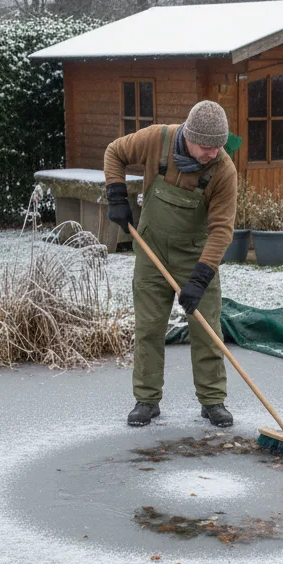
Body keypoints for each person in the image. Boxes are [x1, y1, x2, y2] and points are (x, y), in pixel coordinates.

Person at [103, 101, 238, 427]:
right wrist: (117, 195)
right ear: (188, 136)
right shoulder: (157, 140)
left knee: (207, 329)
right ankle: (146, 400)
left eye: (218, 146)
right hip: (152, 252)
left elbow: (221, 230)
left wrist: (201, 278)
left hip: (195, 255)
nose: (212, 152)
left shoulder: (223, 170)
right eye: (206, 146)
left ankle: (212, 400)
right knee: (148, 327)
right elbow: (114, 152)